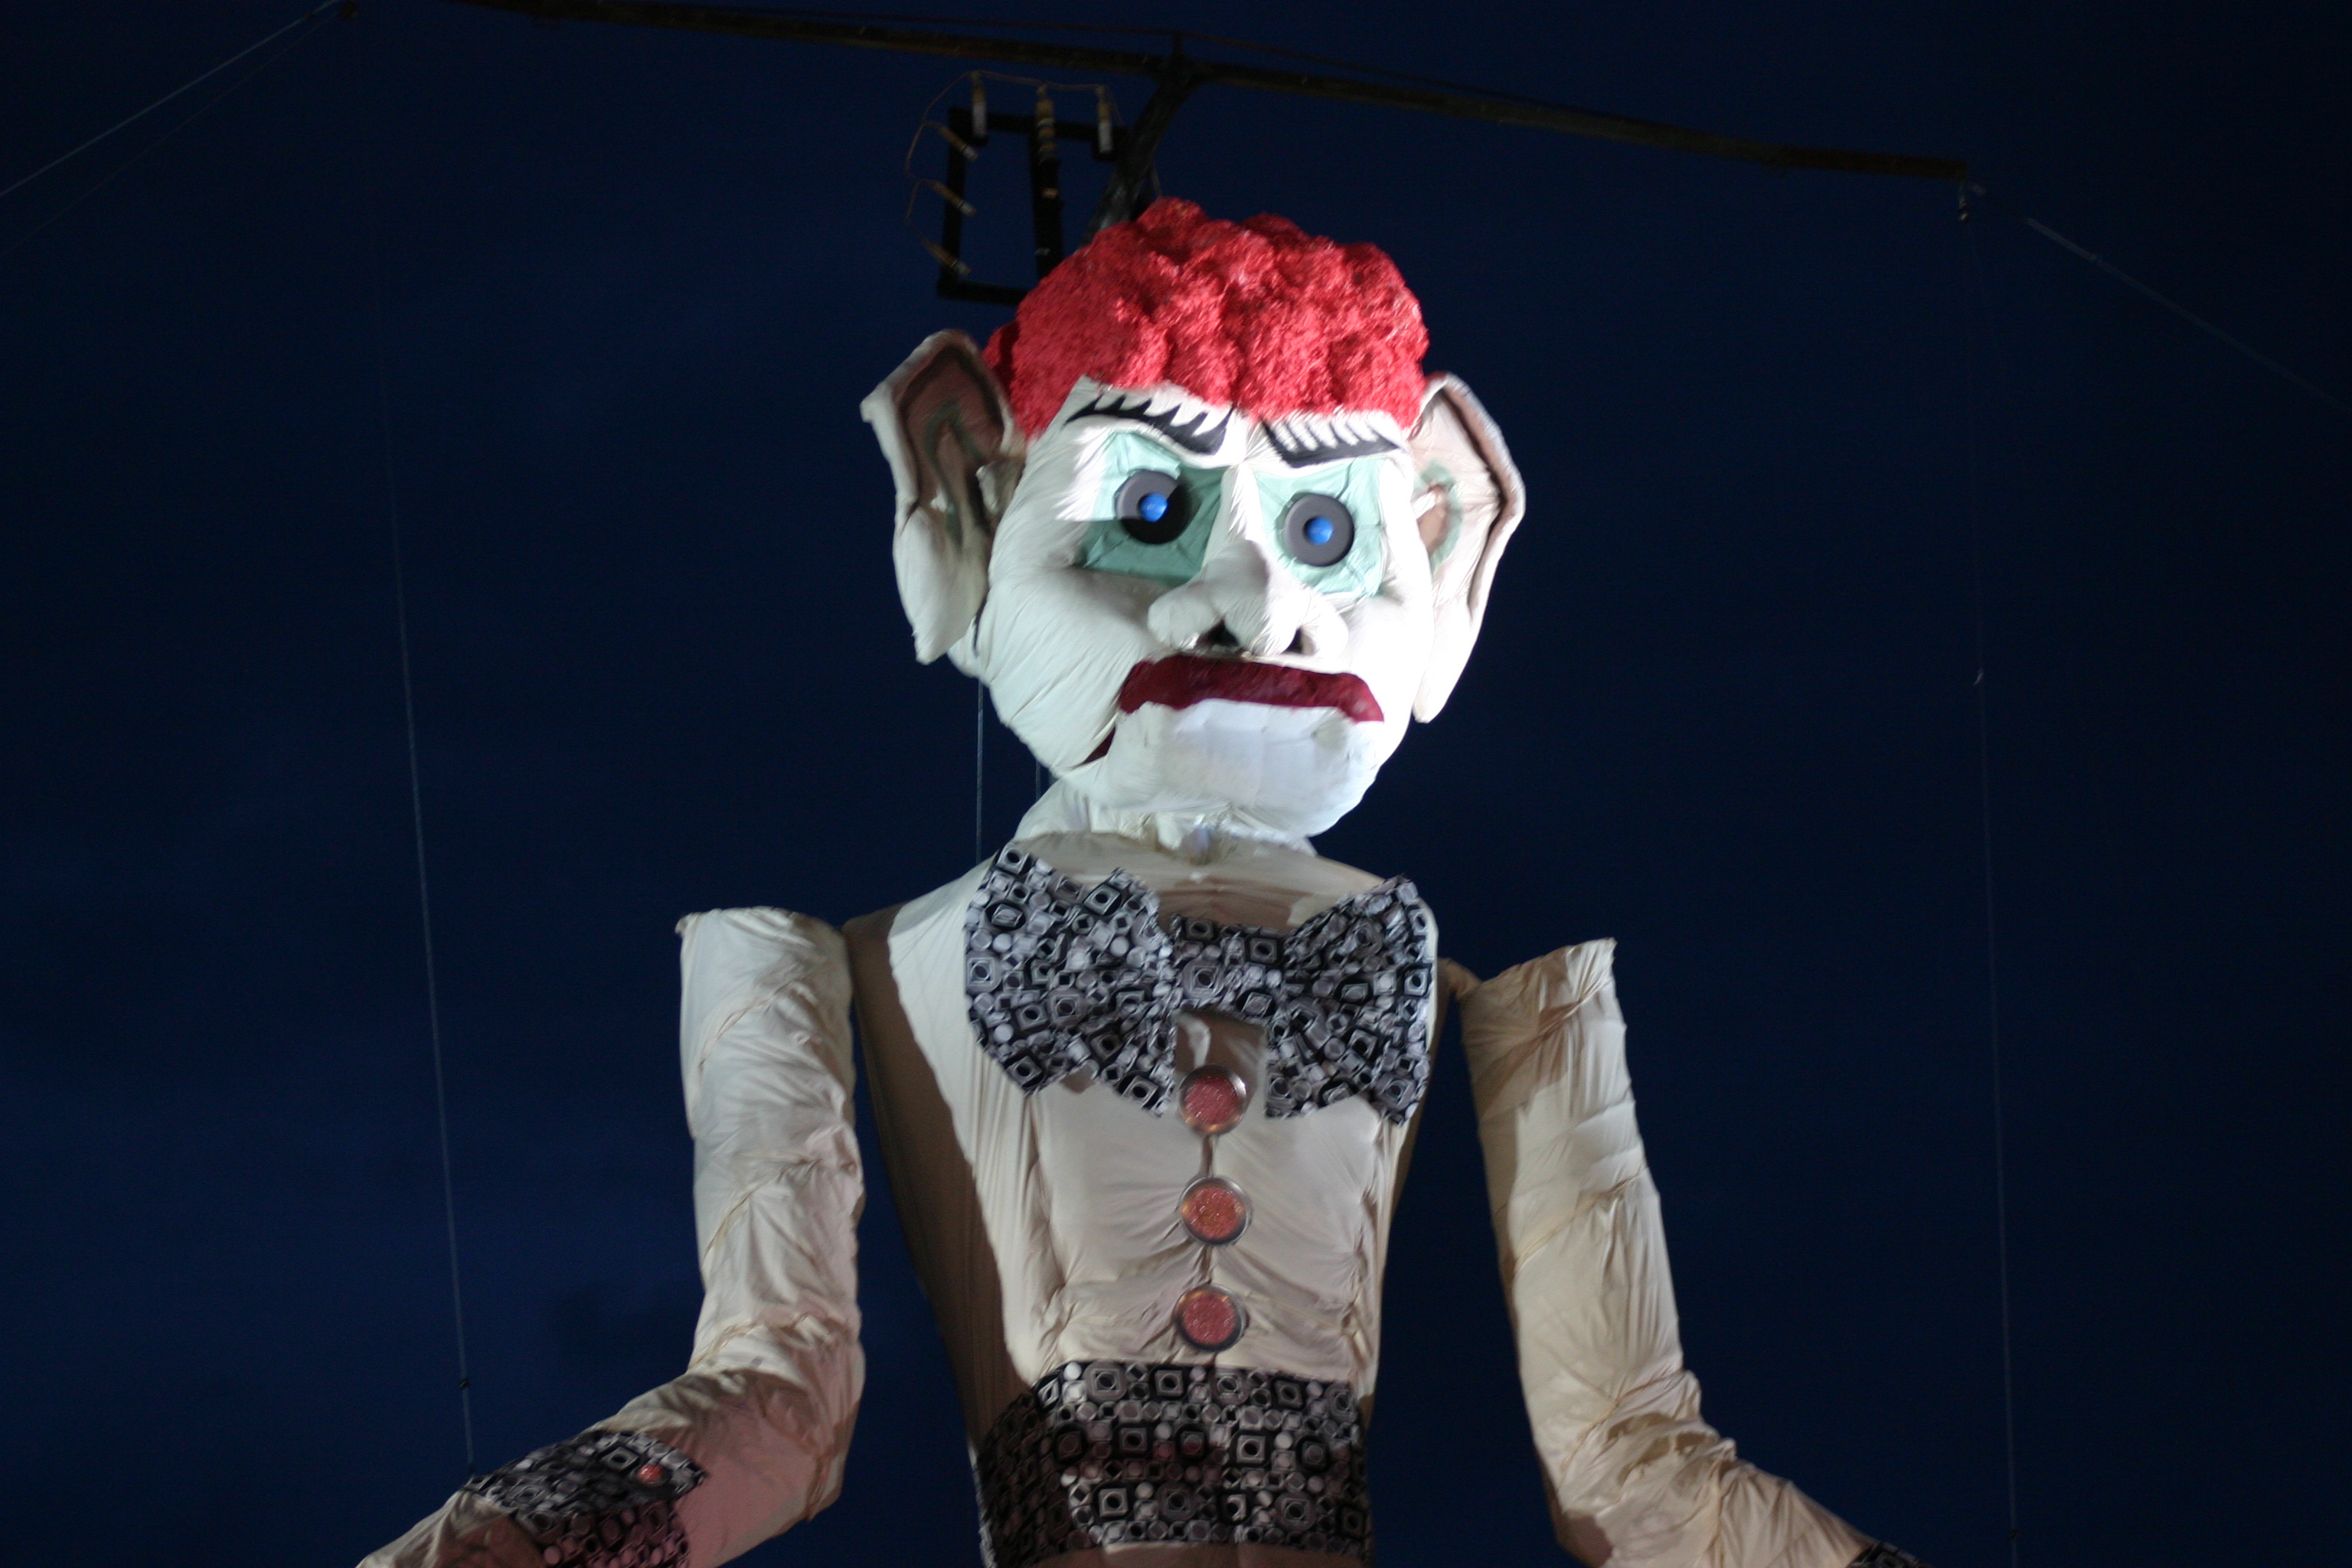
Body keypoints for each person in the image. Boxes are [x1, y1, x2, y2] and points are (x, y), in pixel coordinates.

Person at [363, 199, 1926, 1568]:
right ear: (965, 501)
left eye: (1324, 529)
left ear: (1448, 556)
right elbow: (770, 1396)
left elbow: (1636, 1465)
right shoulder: (832, 975)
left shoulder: (1511, 1014)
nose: (1261, 605)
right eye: (1155, 511)